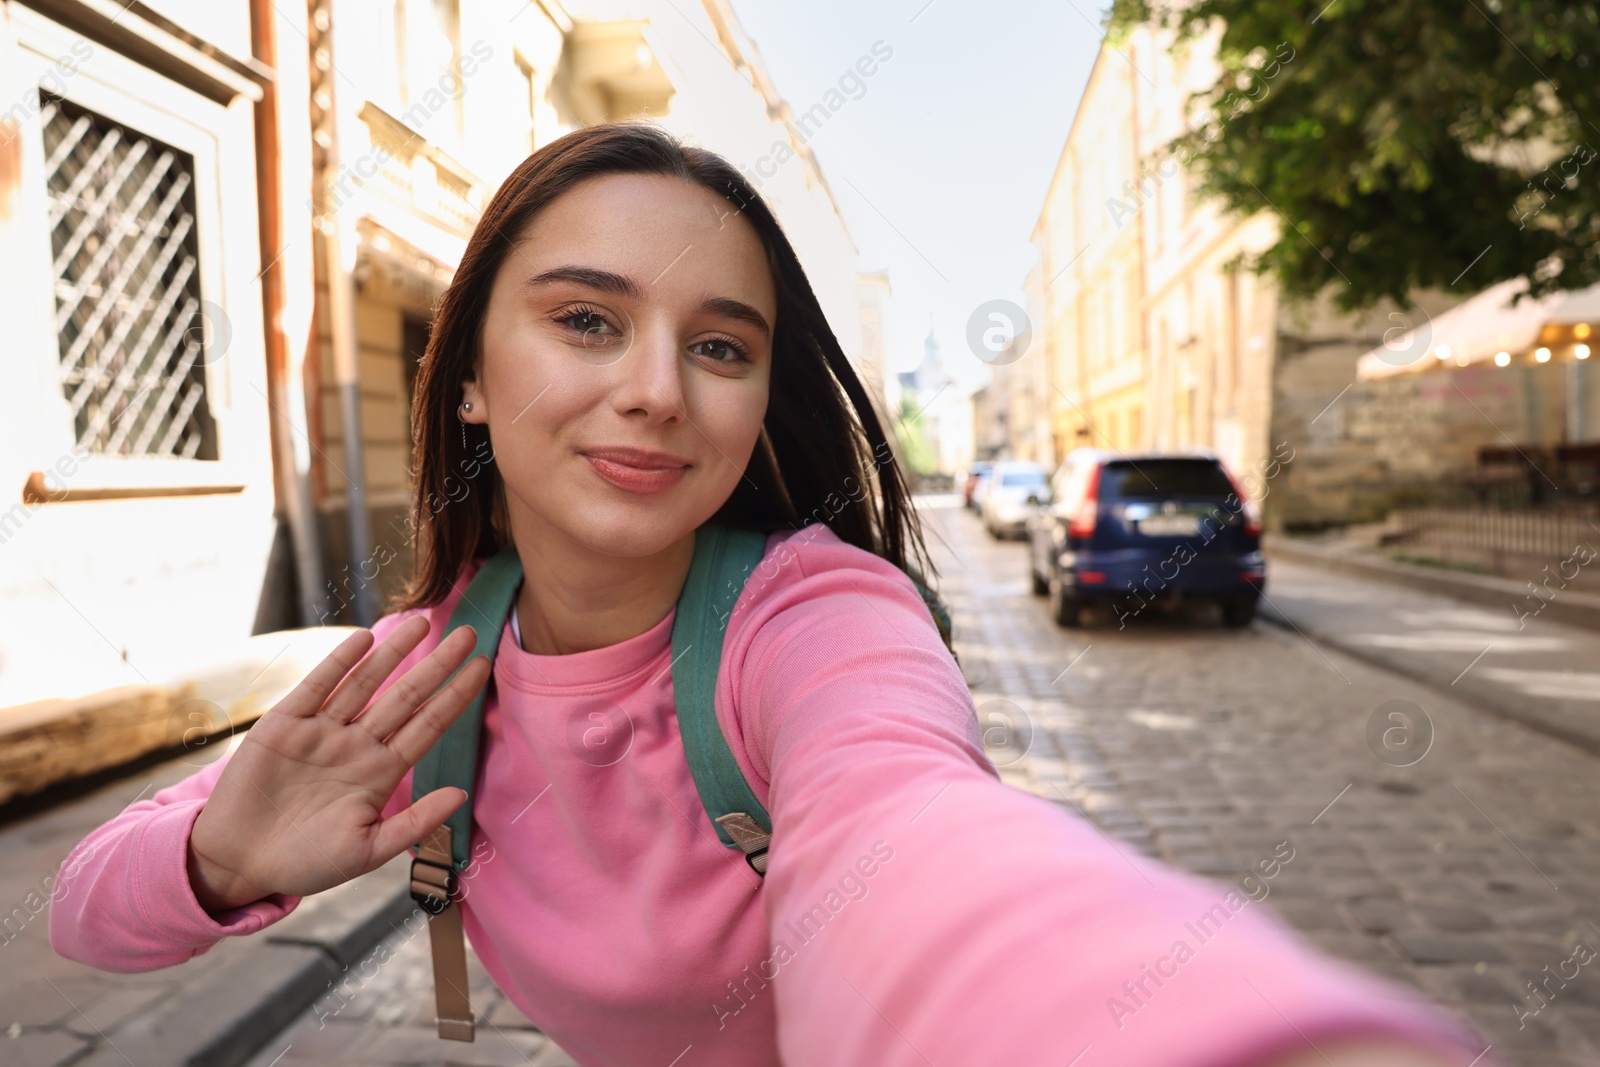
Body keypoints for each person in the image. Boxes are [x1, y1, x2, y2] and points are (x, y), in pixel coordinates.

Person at [51, 123, 1489, 1067]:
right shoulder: (422, 672)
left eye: (721, 347)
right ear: (474, 375)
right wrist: (222, 865)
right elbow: (79, 917)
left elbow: (913, 830)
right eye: (588, 320)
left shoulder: (816, 618)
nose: (656, 390)